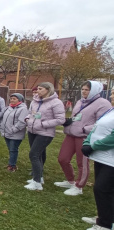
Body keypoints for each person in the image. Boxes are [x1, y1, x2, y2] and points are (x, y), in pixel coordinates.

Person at [55, 81, 111, 196]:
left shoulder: (103, 103)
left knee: (82, 163)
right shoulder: (80, 101)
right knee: (63, 158)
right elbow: (77, 117)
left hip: (85, 136)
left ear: (95, 91)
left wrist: (85, 129)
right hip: (71, 134)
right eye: (83, 89)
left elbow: (102, 122)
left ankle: (79, 186)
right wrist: (68, 122)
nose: (84, 91)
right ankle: (70, 180)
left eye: (87, 90)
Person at [81, 86, 114, 230]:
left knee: (102, 189)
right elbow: (96, 127)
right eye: (112, 93)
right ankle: (104, 217)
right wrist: (87, 142)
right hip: (101, 157)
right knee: (105, 190)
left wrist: (94, 146)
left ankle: (105, 224)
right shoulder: (111, 110)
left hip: (111, 159)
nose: (111, 96)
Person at [24, 82, 65, 191]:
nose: (38, 91)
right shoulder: (35, 100)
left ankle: (36, 182)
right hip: (32, 131)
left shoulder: (56, 102)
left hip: (45, 133)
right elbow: (30, 113)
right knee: (40, 155)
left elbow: (61, 119)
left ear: (48, 89)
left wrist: (43, 124)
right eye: (37, 89)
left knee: (34, 154)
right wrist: (27, 119)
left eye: (40, 89)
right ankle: (39, 177)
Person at [0, 93, 28, 172]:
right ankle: (12, 162)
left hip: (15, 134)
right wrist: (2, 128)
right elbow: (3, 119)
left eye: (14, 99)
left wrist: (13, 130)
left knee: (13, 149)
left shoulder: (23, 109)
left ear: (20, 100)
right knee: (11, 149)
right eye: (11, 98)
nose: (12, 100)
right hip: (6, 133)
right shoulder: (8, 108)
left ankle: (12, 165)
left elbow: (22, 122)